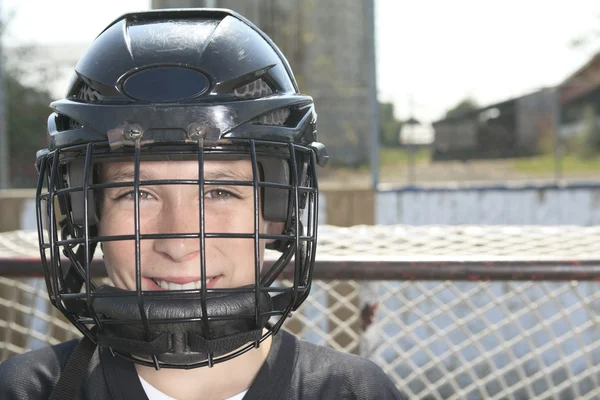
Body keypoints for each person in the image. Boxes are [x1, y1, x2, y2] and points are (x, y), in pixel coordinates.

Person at [0, 8, 406, 400]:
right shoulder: (24, 391)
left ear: (278, 212)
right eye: (137, 194)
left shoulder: (353, 392)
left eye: (219, 192)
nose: (177, 247)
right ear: (88, 216)